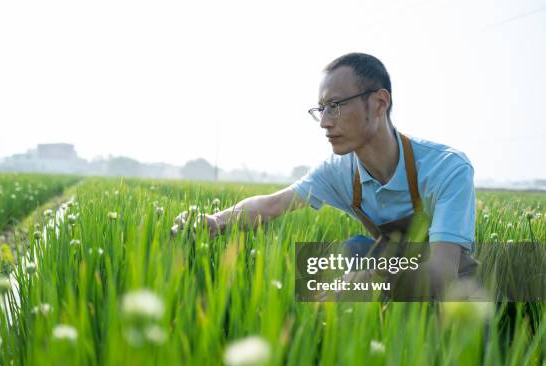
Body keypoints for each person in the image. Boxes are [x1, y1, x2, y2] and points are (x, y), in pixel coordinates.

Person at [172, 52, 477, 299]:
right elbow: (272, 205)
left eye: (335, 106)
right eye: (321, 109)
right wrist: (215, 222)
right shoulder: (338, 170)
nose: (324, 123)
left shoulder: (447, 169)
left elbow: (441, 273)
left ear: (380, 102)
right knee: (352, 251)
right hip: (394, 264)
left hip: (452, 278)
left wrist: (366, 281)